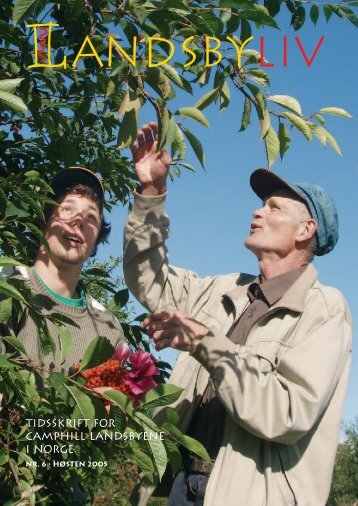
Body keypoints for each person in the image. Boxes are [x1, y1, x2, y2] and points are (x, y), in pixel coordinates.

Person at [123, 123, 352, 505]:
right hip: (185, 485)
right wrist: (151, 193)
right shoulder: (222, 290)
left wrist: (202, 339)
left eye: (274, 207)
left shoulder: (325, 309)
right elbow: (149, 279)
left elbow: (285, 412)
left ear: (306, 230)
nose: (258, 212)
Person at [0, 166, 123, 372]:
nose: (79, 220)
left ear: (97, 240)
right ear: (44, 221)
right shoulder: (6, 287)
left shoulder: (108, 329)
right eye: (67, 209)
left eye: (91, 217)